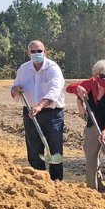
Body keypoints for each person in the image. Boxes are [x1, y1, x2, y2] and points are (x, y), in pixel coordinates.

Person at [10, 40, 65, 181]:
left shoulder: (53, 69)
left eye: (39, 51)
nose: (36, 54)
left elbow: (54, 92)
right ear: (28, 53)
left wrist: (40, 106)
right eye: (33, 51)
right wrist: (15, 90)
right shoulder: (23, 69)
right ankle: (39, 179)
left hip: (52, 114)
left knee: (55, 149)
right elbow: (14, 89)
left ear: (44, 51)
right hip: (30, 113)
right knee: (34, 149)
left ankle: (56, 181)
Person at [66, 60, 105, 192]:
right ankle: (93, 189)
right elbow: (69, 88)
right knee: (91, 159)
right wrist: (77, 89)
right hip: (92, 127)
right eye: (102, 76)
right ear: (95, 75)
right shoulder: (89, 84)